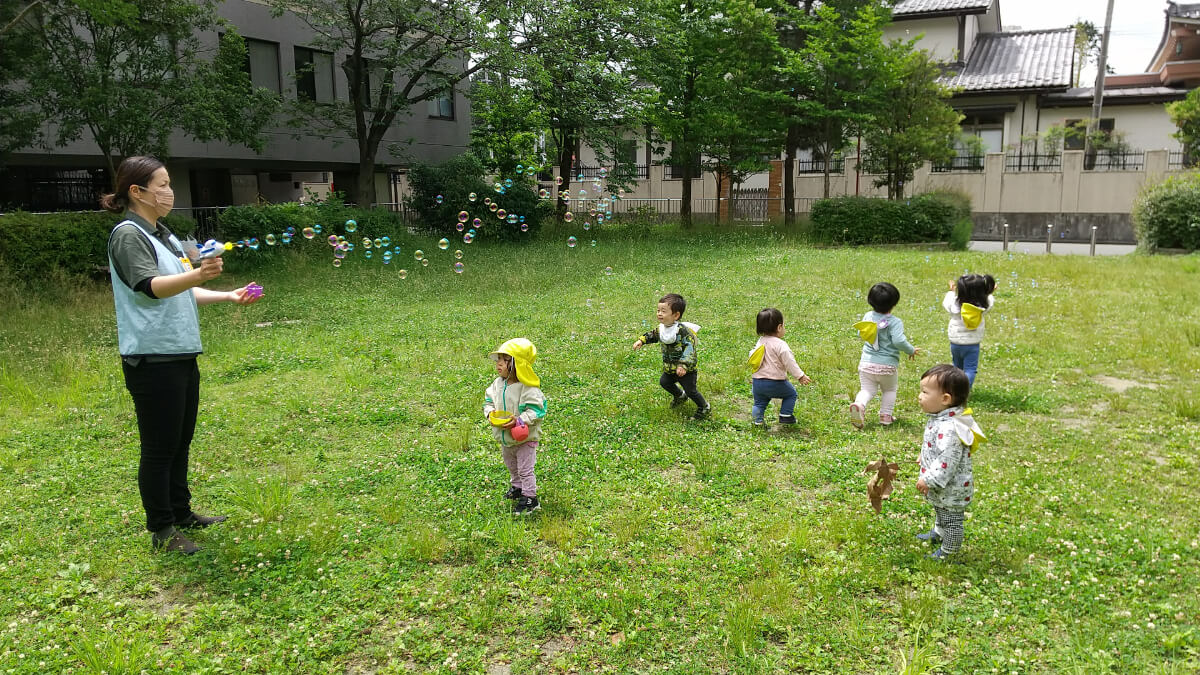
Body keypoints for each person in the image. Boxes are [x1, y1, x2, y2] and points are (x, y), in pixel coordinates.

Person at [101, 156, 261, 554]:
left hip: (179, 352)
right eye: (162, 184)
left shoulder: (164, 235)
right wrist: (199, 274)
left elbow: (182, 288)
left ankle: (181, 511)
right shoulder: (128, 235)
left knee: (180, 439)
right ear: (136, 191)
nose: (169, 191)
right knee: (159, 446)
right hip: (151, 358)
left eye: (170, 183)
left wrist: (226, 294)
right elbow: (150, 286)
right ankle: (162, 529)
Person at [915, 364, 984, 560]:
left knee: (951, 520)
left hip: (951, 488)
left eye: (925, 392)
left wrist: (928, 479)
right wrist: (925, 455)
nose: (920, 396)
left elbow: (947, 461)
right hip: (944, 489)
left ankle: (949, 551)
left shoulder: (950, 428)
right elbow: (939, 449)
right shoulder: (941, 418)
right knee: (940, 511)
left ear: (945, 399)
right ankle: (939, 532)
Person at [484, 339, 548, 515]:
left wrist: (520, 421)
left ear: (517, 364)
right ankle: (518, 487)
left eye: (504, 360)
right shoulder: (497, 384)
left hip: (524, 438)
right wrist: (489, 413)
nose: (498, 364)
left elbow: (538, 410)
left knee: (525, 469)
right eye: (499, 359)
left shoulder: (527, 388)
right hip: (506, 437)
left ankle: (530, 498)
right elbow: (488, 402)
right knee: (511, 465)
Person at [851, 282, 920, 429]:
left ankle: (859, 405)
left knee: (867, 390)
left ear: (870, 301)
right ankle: (885, 416)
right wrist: (910, 350)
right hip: (887, 367)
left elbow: (860, 333)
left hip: (866, 364)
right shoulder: (895, 322)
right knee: (889, 390)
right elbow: (899, 340)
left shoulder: (868, 316)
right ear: (894, 303)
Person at [632, 293, 710, 420]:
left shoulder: (681, 331)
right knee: (664, 382)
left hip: (685, 371)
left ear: (676, 315)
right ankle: (680, 396)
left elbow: (690, 348)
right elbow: (653, 335)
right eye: (658, 310)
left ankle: (704, 407)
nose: (659, 313)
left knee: (691, 391)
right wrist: (642, 340)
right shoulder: (662, 328)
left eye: (663, 311)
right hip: (670, 368)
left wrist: (683, 365)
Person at [747, 308, 812, 426]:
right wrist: (800, 375)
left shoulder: (760, 342)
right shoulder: (780, 345)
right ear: (779, 327)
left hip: (758, 382)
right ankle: (785, 416)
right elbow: (789, 362)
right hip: (775, 382)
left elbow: (754, 358)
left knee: (759, 403)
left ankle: (758, 422)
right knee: (791, 394)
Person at [943, 273, 996, 388]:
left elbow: (946, 303)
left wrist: (951, 292)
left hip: (955, 343)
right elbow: (990, 300)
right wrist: (989, 293)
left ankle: (954, 389)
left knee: (957, 368)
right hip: (972, 344)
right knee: (970, 369)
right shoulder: (982, 307)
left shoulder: (954, 305)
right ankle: (963, 390)